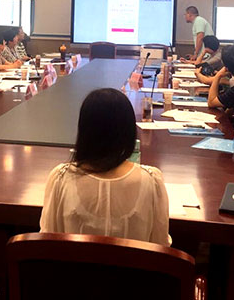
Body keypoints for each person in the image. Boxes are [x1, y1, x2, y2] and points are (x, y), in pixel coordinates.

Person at [40, 88, 170, 246]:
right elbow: (160, 248)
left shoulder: (61, 179)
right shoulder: (151, 182)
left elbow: (48, 245)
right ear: (129, 132)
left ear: (84, 131)